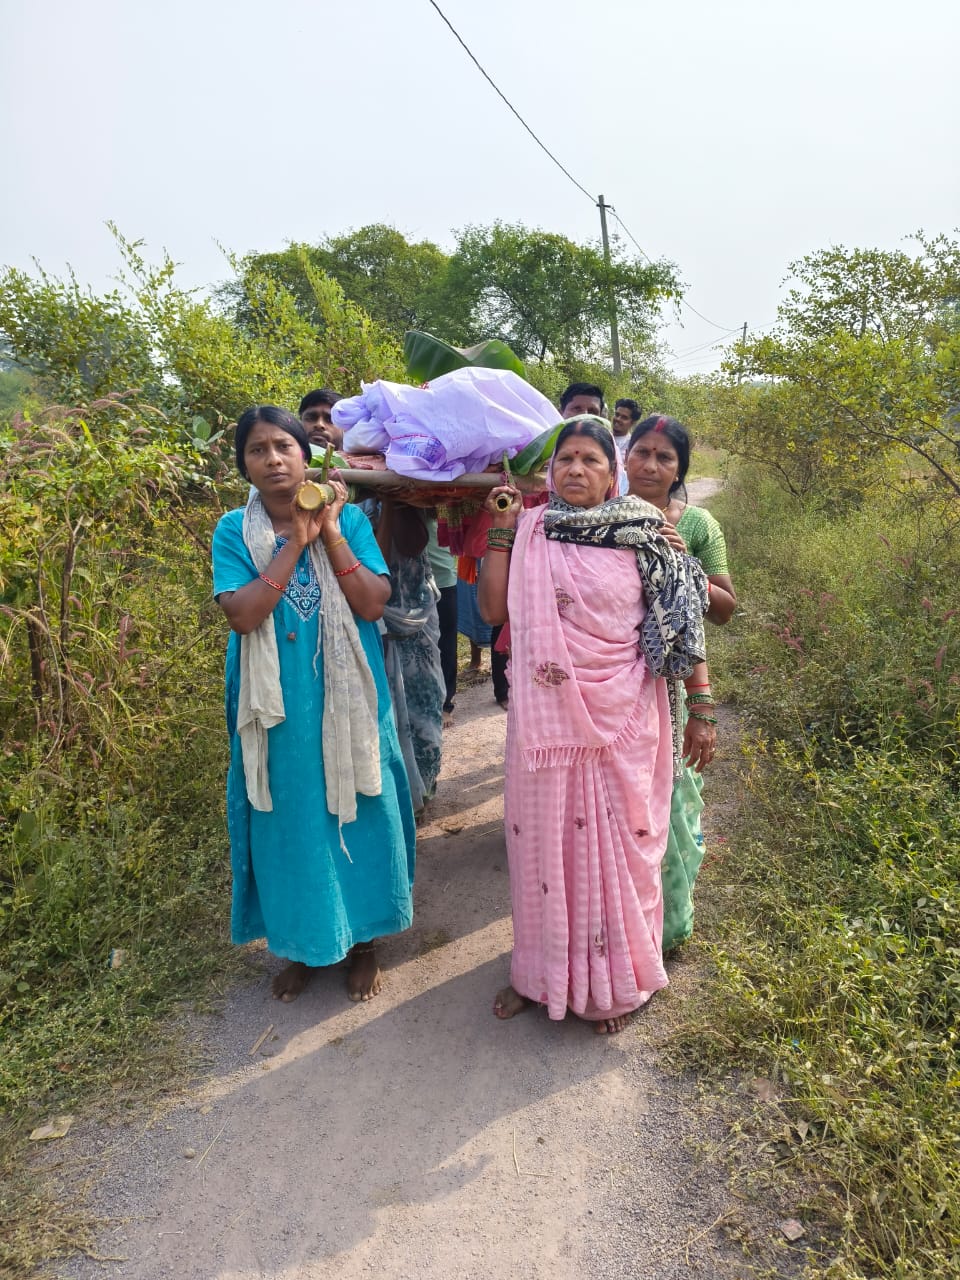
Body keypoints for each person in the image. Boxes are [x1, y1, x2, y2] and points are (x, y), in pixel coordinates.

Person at [479, 417, 715, 1034]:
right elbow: (491, 609)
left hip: (625, 722)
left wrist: (704, 703)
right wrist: (501, 532)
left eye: (590, 459)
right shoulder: (529, 530)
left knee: (625, 850)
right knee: (541, 852)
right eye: (565, 461)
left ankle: (614, 984)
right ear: (550, 472)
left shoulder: (649, 537)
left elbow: (682, 631)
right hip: (545, 730)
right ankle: (540, 975)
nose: (575, 470)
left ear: (612, 476)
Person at [211, 406, 416, 1004]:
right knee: (289, 815)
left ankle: (364, 943)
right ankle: (300, 943)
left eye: (284, 446)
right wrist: (293, 546)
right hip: (276, 707)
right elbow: (244, 615)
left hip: (349, 690)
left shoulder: (348, 521)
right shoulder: (233, 531)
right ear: (245, 465)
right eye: (257, 450)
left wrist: (325, 531)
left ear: (307, 456)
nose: (272, 459)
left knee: (362, 799)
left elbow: (373, 604)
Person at [625, 414, 736, 952]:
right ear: (623, 458)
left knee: (664, 816)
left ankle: (662, 935)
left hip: (665, 692)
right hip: (607, 696)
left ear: (678, 471)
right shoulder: (594, 518)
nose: (650, 464)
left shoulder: (695, 525)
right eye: (641, 451)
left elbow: (723, 612)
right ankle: (614, 934)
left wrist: (683, 566)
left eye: (664, 457)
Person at [373, 498, 445, 816]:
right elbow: (372, 560)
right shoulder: (338, 502)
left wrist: (392, 499)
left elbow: (413, 543)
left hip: (416, 615)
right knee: (383, 712)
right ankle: (397, 795)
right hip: (371, 615)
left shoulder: (404, 494)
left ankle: (424, 788)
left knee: (426, 706)